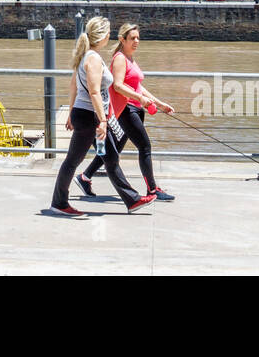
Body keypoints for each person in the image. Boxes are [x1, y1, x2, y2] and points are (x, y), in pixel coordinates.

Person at [50, 16, 156, 218]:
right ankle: (59, 202)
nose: (109, 35)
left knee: (110, 158)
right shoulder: (93, 59)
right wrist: (103, 121)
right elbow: (94, 92)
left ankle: (132, 200)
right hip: (91, 116)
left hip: (85, 114)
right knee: (74, 161)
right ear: (103, 36)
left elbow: (74, 86)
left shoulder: (85, 56)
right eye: (108, 32)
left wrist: (72, 113)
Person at [77, 23, 175, 201]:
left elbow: (138, 86)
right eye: (132, 38)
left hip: (134, 108)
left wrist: (160, 104)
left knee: (113, 150)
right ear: (122, 39)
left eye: (138, 38)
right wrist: (139, 98)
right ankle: (152, 190)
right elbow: (118, 85)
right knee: (144, 147)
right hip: (126, 110)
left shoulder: (130, 59)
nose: (136, 41)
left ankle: (85, 177)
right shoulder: (120, 58)